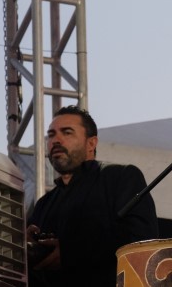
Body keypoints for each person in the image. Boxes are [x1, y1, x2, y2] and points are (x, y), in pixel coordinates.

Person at [26, 105, 159, 287]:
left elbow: (142, 242)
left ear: (91, 143)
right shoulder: (44, 204)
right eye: (51, 134)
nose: (56, 140)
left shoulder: (120, 177)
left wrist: (70, 253)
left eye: (67, 133)